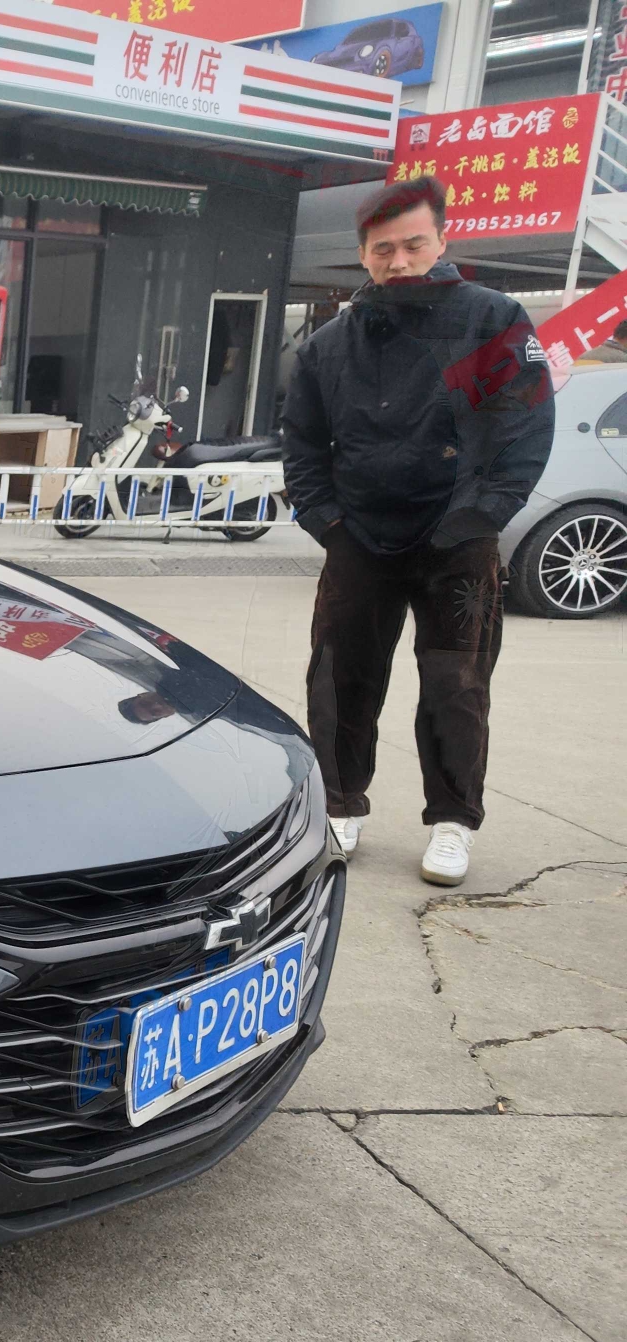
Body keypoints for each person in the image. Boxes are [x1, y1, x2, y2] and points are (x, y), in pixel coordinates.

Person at [282, 176, 554, 887]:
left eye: (414, 244)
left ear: (442, 240)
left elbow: (525, 429)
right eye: (383, 249)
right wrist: (329, 524)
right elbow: (303, 447)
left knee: (455, 686)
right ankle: (339, 804)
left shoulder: (493, 321)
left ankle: (453, 821)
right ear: (362, 254)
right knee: (340, 678)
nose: (399, 261)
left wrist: (479, 517)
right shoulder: (330, 345)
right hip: (359, 539)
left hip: (457, 543)